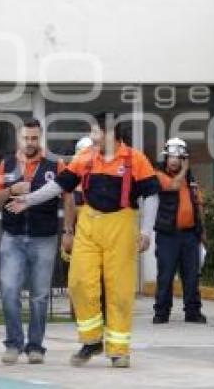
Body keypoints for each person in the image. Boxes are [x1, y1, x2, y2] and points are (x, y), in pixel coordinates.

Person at [8, 112, 160, 368]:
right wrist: (29, 200)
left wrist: (146, 231)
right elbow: (58, 186)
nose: (92, 137)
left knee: (120, 290)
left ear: (111, 134)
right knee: (79, 282)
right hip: (88, 223)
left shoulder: (135, 159)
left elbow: (152, 196)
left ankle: (119, 350)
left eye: (96, 132)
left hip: (121, 225)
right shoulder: (85, 158)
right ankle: (91, 341)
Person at [0, 119, 68, 365]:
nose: (30, 143)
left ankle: (35, 347)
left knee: (40, 296)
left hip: (45, 238)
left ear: (40, 138)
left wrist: (69, 230)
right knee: (9, 290)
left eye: (34, 138)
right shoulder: (7, 163)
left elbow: (69, 199)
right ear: (19, 139)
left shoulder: (55, 165)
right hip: (12, 238)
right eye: (26, 138)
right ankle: (13, 343)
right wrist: (12, 190)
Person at [152, 138, 207, 324]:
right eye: (171, 157)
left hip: (190, 234)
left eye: (179, 158)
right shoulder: (159, 175)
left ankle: (193, 312)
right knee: (165, 275)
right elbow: (173, 185)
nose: (174, 161)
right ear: (166, 158)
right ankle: (161, 312)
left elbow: (199, 204)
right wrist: (184, 169)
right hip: (168, 235)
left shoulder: (191, 180)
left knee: (191, 275)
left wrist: (203, 231)